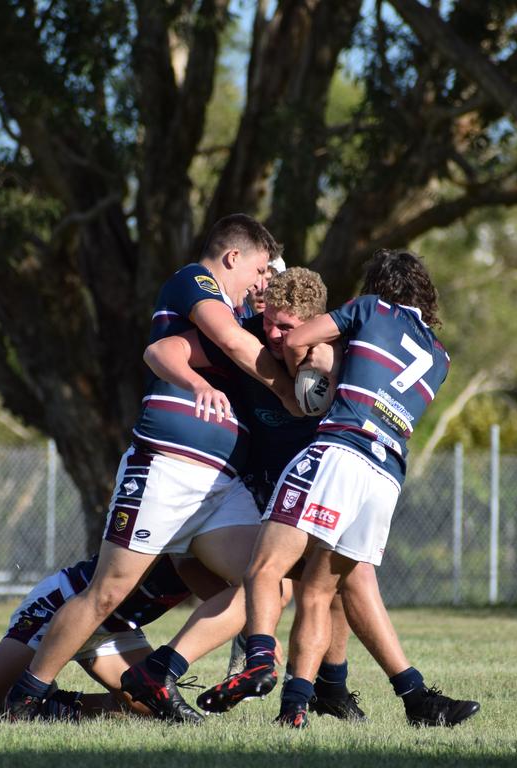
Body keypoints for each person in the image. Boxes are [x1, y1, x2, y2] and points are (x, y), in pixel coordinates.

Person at [5, 214, 301, 722]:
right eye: (257, 269)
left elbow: (260, 333)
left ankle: (159, 671)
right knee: (106, 593)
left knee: (270, 580)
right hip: (167, 466)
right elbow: (197, 346)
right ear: (232, 257)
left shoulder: (244, 320)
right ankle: (27, 695)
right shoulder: (196, 280)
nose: (261, 282)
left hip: (219, 486)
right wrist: (290, 391)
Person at [197, 249, 480, 728]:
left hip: (340, 453)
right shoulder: (440, 355)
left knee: (266, 567)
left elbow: (302, 338)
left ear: (379, 285)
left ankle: (261, 660)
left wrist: (304, 374)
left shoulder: (370, 308)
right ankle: (303, 709)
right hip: (386, 474)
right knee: (319, 591)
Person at [139, 267, 366, 723]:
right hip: (251, 488)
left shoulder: (337, 355)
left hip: (312, 484)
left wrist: (325, 360)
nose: (276, 335)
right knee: (278, 584)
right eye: (271, 322)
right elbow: (160, 350)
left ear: (316, 322)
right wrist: (198, 383)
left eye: (289, 327)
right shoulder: (245, 336)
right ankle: (248, 667)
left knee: (336, 579)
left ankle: (328, 688)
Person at [0, 554, 229, 720]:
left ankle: (56, 705)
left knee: (150, 710)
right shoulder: (210, 512)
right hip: (66, 607)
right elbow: (186, 562)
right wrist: (243, 603)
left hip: (116, 628)